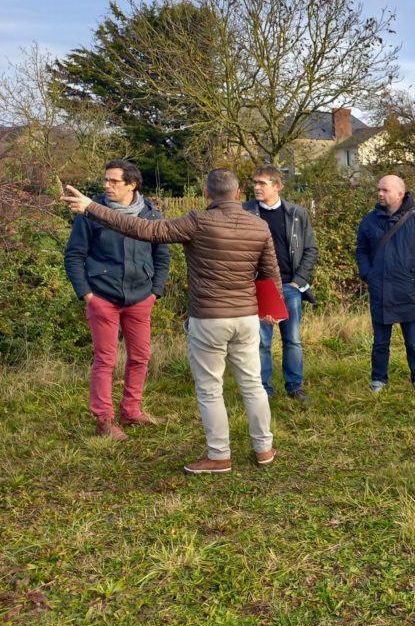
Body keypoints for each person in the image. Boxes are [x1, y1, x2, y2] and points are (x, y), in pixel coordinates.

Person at [62, 169, 283, 474]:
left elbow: (144, 230)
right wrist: (274, 310)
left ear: (206, 193)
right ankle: (264, 448)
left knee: (210, 389)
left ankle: (219, 455)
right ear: (237, 193)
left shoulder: (197, 221)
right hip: (246, 318)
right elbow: (271, 274)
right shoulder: (258, 225)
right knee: (253, 385)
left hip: (209, 319)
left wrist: (91, 208)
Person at [64, 160, 171, 441]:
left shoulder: (152, 216)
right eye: (106, 180)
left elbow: (162, 257)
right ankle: (104, 420)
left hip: (140, 298)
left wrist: (154, 292)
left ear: (131, 185)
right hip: (103, 297)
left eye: (114, 181)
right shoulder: (90, 214)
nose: (106, 186)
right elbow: (74, 255)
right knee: (105, 360)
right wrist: (88, 295)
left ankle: (131, 411)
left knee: (140, 356)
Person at [355, 175, 415, 395]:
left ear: (400, 194)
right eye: (379, 190)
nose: (380, 194)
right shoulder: (369, 220)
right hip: (380, 290)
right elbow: (362, 250)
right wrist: (368, 274)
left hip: (407, 290)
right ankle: (378, 381)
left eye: (385, 190)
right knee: (380, 342)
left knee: (414, 342)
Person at [243, 165, 319, 403]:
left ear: (277, 186)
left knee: (293, 339)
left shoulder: (297, 214)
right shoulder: (245, 212)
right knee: (262, 341)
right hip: (260, 286)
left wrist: (299, 281)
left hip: (290, 285)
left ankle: (294, 386)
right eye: (255, 182)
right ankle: (263, 389)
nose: (256, 187)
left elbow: (310, 249)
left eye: (262, 183)